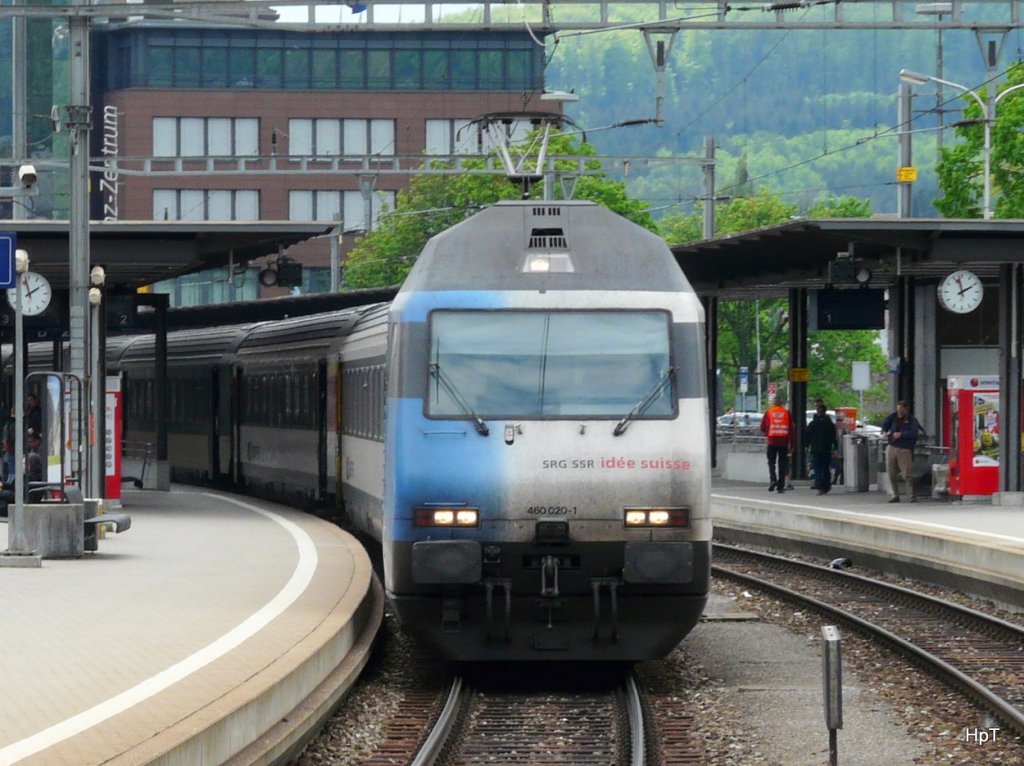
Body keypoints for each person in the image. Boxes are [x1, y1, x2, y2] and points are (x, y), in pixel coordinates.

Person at [881, 400, 923, 503]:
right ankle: (895, 494)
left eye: (901, 409)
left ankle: (911, 495)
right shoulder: (893, 417)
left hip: (904, 448)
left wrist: (902, 434)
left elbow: (914, 433)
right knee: (891, 472)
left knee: (907, 473)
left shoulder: (912, 420)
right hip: (892, 446)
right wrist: (884, 432)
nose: (899, 411)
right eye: (898, 409)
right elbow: (885, 425)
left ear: (906, 409)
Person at [760, 394, 795, 493]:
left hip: (772, 441)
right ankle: (780, 486)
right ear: (782, 403)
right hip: (783, 442)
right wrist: (792, 444)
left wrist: (768, 433)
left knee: (771, 462)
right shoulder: (787, 413)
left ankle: (773, 479)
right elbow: (792, 430)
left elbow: (762, 427)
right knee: (782, 464)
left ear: (774, 403)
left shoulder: (769, 413)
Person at [805, 404, 838, 495]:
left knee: (818, 469)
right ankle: (826, 486)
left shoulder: (813, 424)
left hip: (815, 449)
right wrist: (835, 448)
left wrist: (807, 446)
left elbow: (807, 436)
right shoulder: (830, 424)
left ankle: (820, 487)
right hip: (826, 449)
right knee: (826, 468)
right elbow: (834, 438)